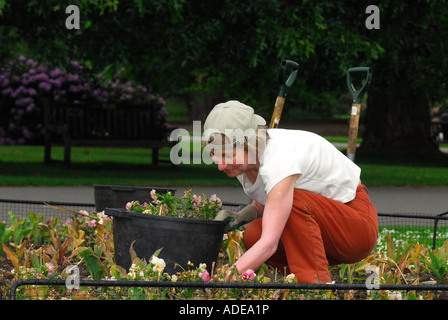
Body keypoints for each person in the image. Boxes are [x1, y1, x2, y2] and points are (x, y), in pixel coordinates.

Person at [203, 100, 378, 284]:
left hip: (356, 228)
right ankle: (301, 273)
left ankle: (314, 287)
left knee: (290, 206)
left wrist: (225, 278)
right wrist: (242, 216)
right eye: (215, 154)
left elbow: (270, 243)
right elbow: (270, 199)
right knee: (253, 235)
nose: (221, 165)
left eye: (227, 155)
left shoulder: (279, 159)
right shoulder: (244, 162)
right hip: (325, 226)